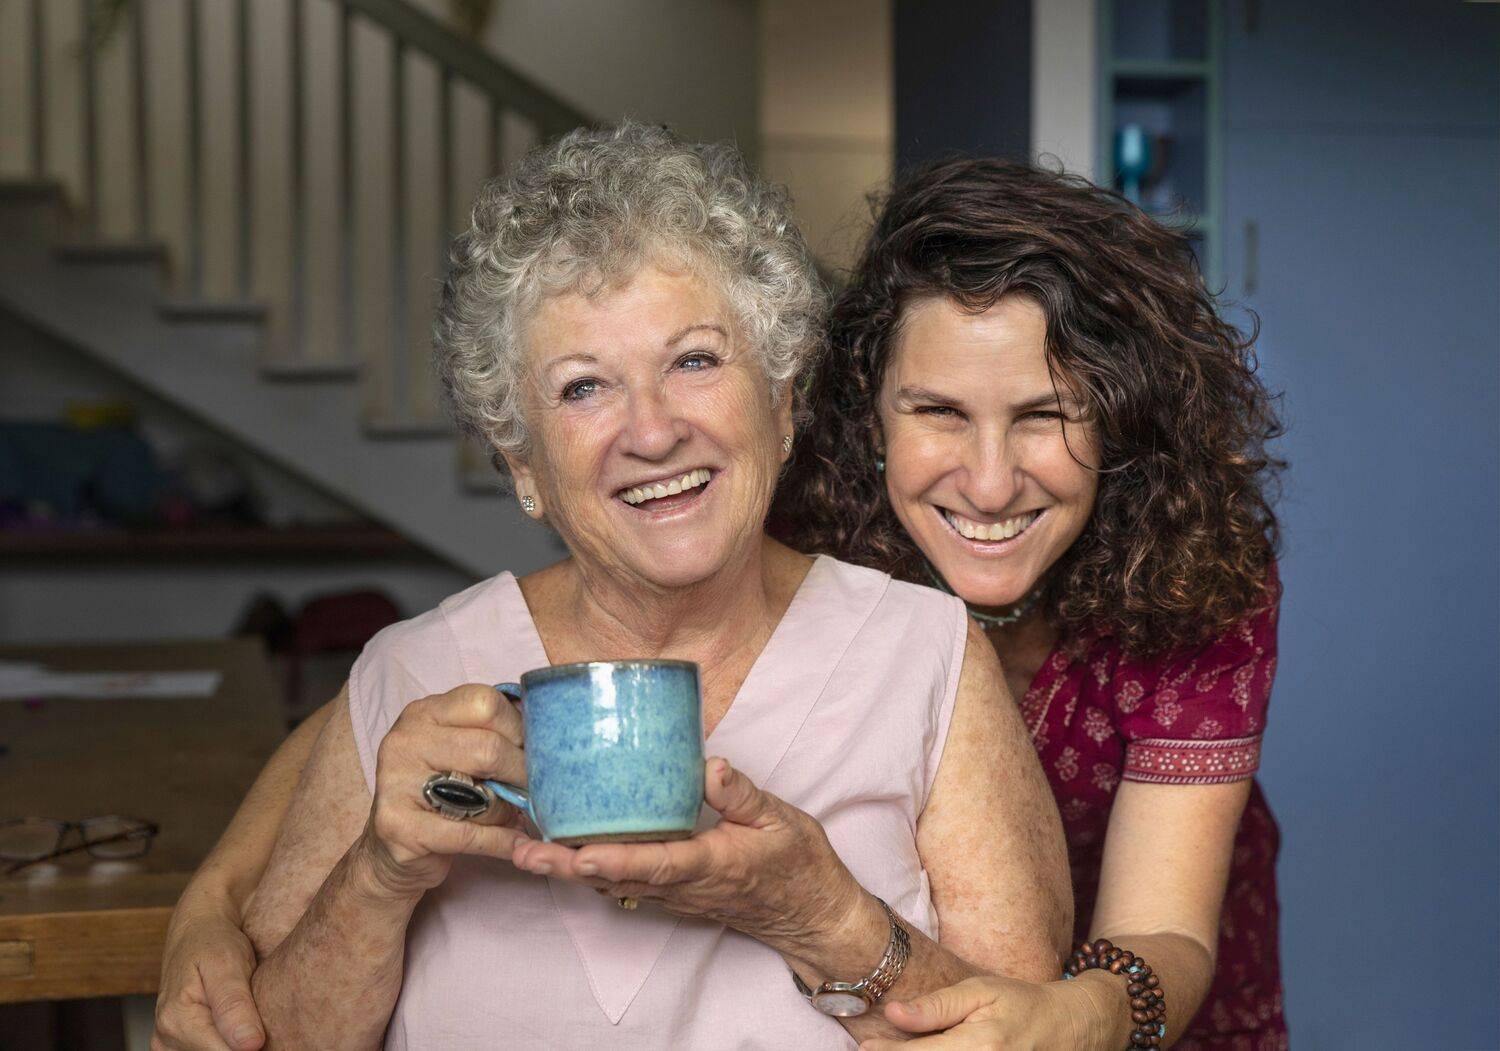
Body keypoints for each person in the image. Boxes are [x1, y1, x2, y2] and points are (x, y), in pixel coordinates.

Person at [148, 124, 1071, 1051]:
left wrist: (822, 914)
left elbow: (1033, 1035)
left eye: (696, 360)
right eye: (584, 387)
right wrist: (379, 874)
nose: (654, 431)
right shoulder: (415, 673)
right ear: (522, 461)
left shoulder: (926, 656)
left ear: (782, 401)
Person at [776, 158, 1286, 1050]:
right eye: (939, 411)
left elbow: (1164, 924)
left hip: (1156, 1012)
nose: (989, 483)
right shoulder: (801, 561)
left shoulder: (1199, 574)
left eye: (1043, 415)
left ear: (1121, 419)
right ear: (870, 416)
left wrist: (1075, 1015)